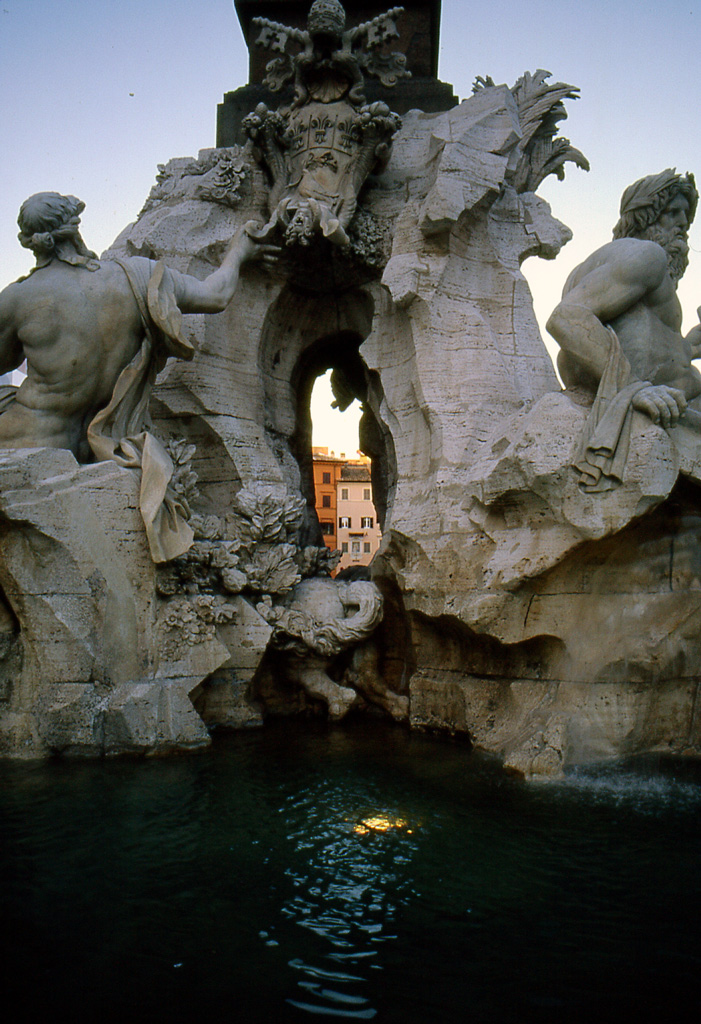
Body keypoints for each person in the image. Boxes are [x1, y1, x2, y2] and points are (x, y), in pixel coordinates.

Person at [0, 191, 267, 559]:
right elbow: (215, 295)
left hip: (25, 442)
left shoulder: (17, 299)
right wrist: (240, 250)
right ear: (74, 226)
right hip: (99, 447)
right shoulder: (138, 277)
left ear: (30, 242)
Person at [546, 169, 701, 490]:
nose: (682, 227)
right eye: (672, 213)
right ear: (645, 217)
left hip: (671, 409)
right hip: (647, 412)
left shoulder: (636, 269)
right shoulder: (646, 255)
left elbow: (645, 343)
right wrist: (637, 388)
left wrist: (690, 347)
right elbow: (567, 318)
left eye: (686, 219)